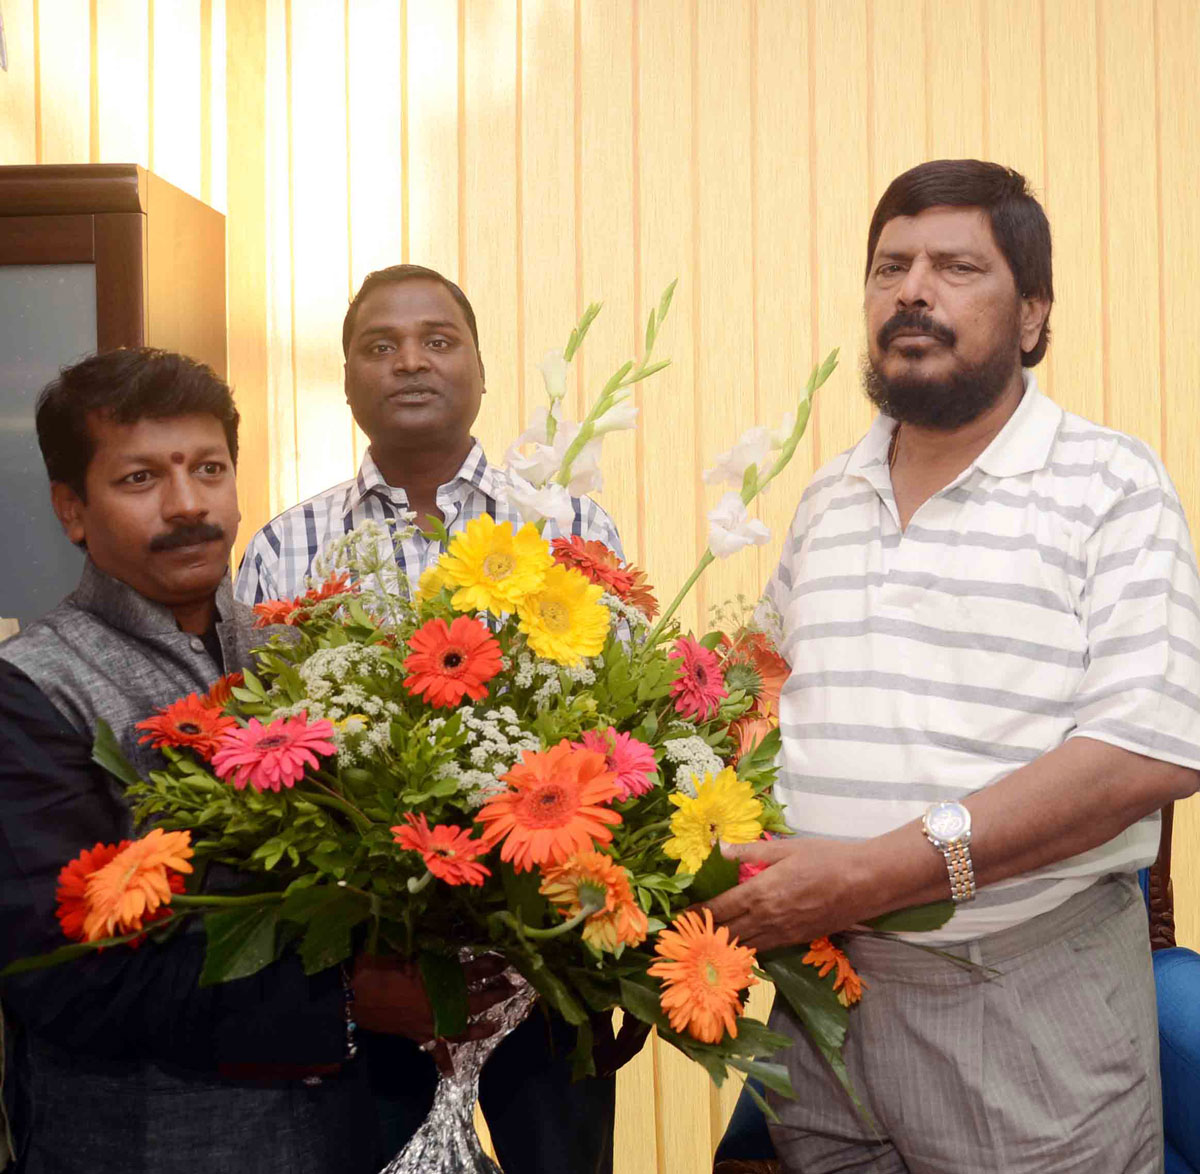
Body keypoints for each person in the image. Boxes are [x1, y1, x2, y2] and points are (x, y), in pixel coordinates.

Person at [707, 160, 1200, 1173]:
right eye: (890, 266)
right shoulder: (829, 496)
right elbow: (763, 701)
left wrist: (862, 874)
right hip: (824, 994)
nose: (912, 290)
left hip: (1023, 999)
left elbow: (1146, 748)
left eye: (956, 266)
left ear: (1031, 316)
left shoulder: (1111, 481)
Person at [0, 347, 499, 1173]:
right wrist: (351, 1001)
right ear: (71, 509)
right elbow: (66, 980)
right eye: (140, 480)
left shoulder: (300, 658)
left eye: (209, 468)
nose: (188, 504)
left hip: (341, 1139)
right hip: (139, 1149)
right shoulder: (33, 690)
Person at [235, 264, 638, 1174]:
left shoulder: (569, 530)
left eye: (438, 340)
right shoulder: (282, 549)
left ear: (482, 373)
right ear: (346, 384)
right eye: (380, 347)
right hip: (370, 976)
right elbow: (255, 754)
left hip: (545, 962)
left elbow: (625, 738)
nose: (410, 361)